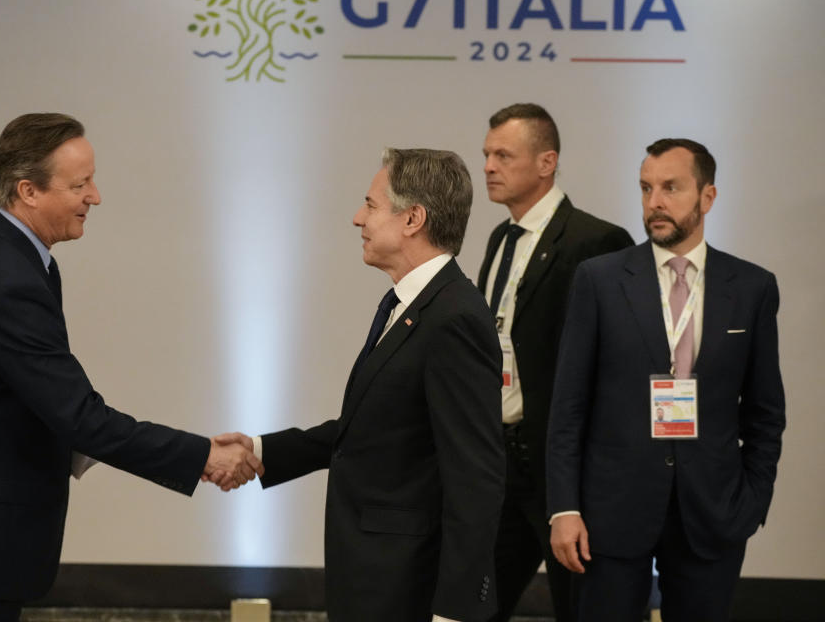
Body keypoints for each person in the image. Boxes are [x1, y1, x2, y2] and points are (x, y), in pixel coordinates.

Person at [0, 113, 263, 621]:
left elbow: (35, 400)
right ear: (28, 191)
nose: (94, 196)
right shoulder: (6, 278)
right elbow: (80, 417)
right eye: (80, 184)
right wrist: (202, 455)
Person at [219, 148, 507, 621]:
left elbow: (476, 477)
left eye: (371, 205)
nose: (358, 218)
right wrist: (261, 449)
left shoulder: (454, 317)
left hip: (411, 587)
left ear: (413, 218)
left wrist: (455, 611)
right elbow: (372, 428)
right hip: (376, 577)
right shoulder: (409, 304)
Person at [547, 139, 785, 620]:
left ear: (708, 197)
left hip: (712, 511)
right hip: (610, 513)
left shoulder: (753, 288)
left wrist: (751, 502)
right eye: (646, 188)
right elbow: (568, 406)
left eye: (671, 188)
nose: (654, 202)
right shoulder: (599, 279)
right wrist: (564, 508)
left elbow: (764, 411)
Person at [475, 103, 633, 621]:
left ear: (546, 163)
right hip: (501, 463)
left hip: (565, 473)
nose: (489, 166)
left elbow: (614, 367)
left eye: (503, 155)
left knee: (581, 608)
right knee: (472, 603)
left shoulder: (597, 242)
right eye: (487, 155)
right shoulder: (500, 238)